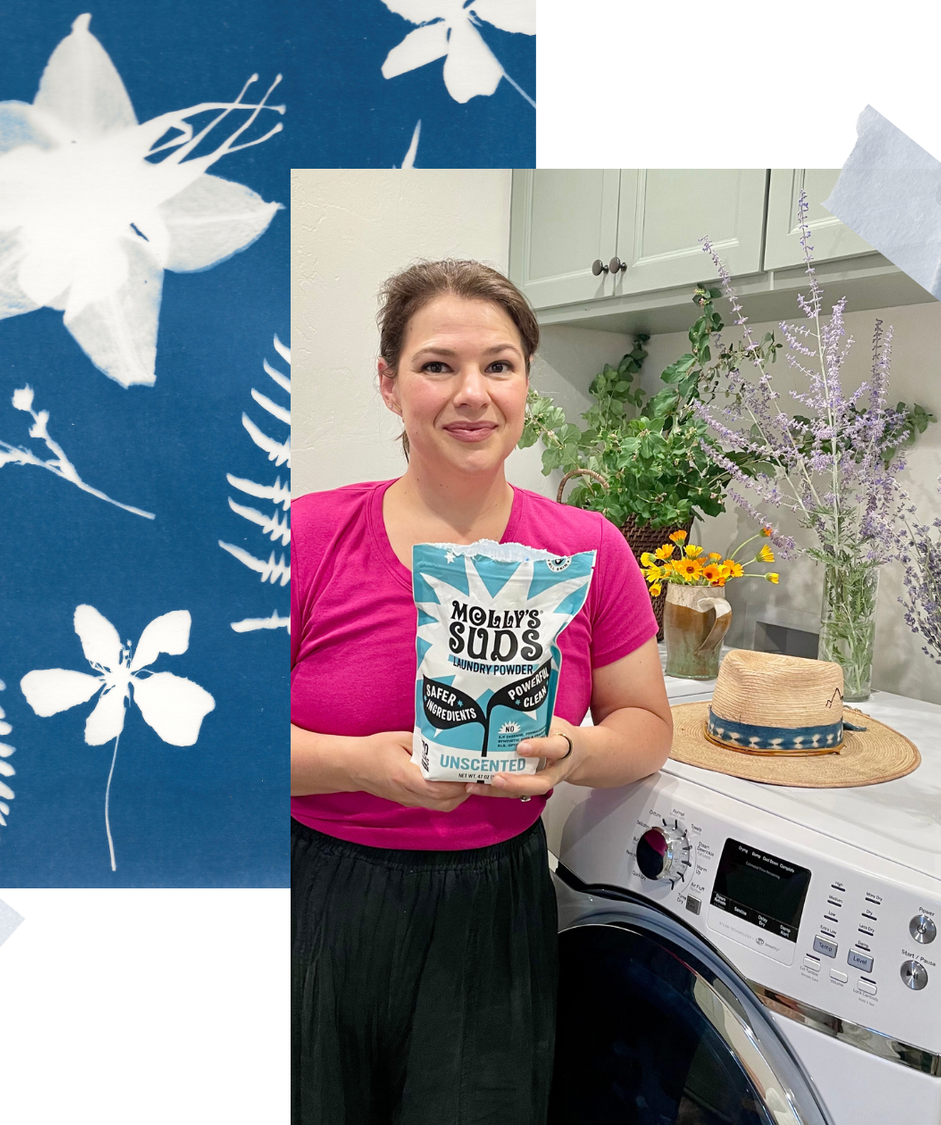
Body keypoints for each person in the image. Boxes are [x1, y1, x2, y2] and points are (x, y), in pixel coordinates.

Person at [291, 259, 674, 1124]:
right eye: (438, 365)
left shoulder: (589, 549)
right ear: (389, 385)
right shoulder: (309, 534)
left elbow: (648, 724)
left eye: (499, 365)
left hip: (493, 911)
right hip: (316, 900)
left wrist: (573, 751)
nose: (473, 393)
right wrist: (359, 765)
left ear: (526, 384)